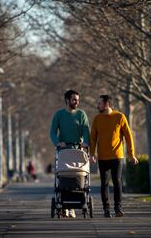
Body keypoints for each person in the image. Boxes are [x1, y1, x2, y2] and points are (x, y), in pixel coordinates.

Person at [90, 95, 138, 218]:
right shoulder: (97, 119)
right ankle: (106, 209)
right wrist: (92, 154)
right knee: (104, 183)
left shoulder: (120, 117)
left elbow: (128, 136)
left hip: (117, 156)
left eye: (99, 103)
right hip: (102, 157)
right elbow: (93, 138)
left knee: (117, 182)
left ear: (106, 104)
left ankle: (118, 208)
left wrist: (131, 154)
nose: (98, 105)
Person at [50, 89, 90, 218]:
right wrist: (57, 142)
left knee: (77, 178)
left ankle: (71, 208)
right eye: (74, 100)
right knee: (64, 178)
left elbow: (85, 131)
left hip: (78, 150)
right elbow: (52, 132)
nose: (77, 102)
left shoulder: (81, 114)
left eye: (78, 100)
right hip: (63, 150)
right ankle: (64, 206)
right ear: (67, 100)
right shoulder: (59, 115)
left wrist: (85, 142)